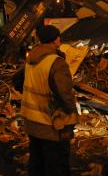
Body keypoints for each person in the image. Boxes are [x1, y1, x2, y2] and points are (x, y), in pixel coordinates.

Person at [21, 25, 77, 176]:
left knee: (36, 162)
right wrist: (72, 111)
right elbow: (65, 94)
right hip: (50, 125)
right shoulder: (56, 62)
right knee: (56, 166)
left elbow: (18, 81)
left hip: (32, 122)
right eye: (59, 37)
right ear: (55, 40)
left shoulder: (30, 59)